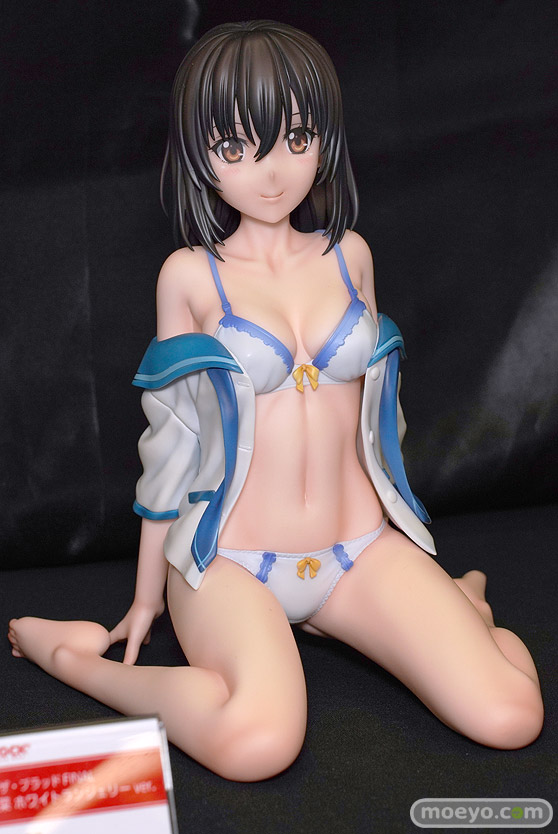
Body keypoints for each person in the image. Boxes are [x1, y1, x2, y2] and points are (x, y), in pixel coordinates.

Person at [8, 21, 543, 782]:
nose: (272, 172)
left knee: (511, 715)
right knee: (257, 744)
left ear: (324, 139)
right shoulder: (189, 277)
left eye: (296, 138)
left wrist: (411, 548)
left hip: (358, 548)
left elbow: (376, 417)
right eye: (236, 147)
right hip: (232, 560)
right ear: (199, 156)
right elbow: (172, 441)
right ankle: (73, 661)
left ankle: (463, 609)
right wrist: (147, 596)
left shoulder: (350, 255)